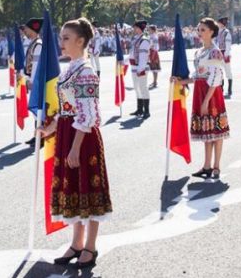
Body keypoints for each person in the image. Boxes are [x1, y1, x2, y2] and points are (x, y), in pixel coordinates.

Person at [40, 18, 111, 269]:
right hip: (68, 134)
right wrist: (50, 128)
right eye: (61, 38)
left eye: (66, 38)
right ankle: (76, 243)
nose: (62, 42)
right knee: (74, 189)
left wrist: (74, 147)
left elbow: (88, 115)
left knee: (88, 190)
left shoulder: (86, 72)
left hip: (82, 139)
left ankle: (90, 247)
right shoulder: (70, 69)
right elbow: (66, 108)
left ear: (81, 41)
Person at [173, 18, 229, 180]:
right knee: (206, 130)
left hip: (211, 93)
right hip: (200, 91)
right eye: (199, 30)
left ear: (211, 32)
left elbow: (216, 77)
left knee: (216, 130)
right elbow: (197, 76)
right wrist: (181, 81)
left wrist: (206, 101)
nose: (199, 32)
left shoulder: (215, 52)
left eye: (203, 29)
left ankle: (216, 166)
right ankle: (206, 165)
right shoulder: (199, 52)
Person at [22, 18, 43, 146]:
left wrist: (31, 80)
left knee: (37, 109)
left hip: (37, 81)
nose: (25, 31)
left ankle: (40, 137)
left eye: (27, 29)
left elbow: (36, 65)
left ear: (33, 29)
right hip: (33, 79)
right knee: (36, 111)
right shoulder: (33, 43)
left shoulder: (38, 44)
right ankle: (37, 135)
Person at [128, 20, 151, 119]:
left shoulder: (144, 40)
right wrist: (123, 61)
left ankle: (146, 111)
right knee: (136, 88)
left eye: (135, 27)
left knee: (143, 88)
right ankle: (139, 109)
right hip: (134, 67)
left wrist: (140, 69)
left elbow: (143, 57)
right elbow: (131, 54)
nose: (134, 29)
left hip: (141, 67)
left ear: (139, 28)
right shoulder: (135, 39)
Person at [216, 17, 233, 98]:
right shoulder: (218, 32)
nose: (217, 24)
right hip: (219, 53)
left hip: (224, 53)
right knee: (219, 71)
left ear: (222, 24)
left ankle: (229, 89)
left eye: (218, 23)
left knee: (228, 71)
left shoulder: (226, 32)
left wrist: (226, 54)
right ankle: (221, 88)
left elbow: (228, 45)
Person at [148, 25, 161, 89]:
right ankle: (154, 81)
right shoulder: (151, 36)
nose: (148, 30)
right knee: (153, 68)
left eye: (149, 29)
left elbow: (155, 46)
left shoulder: (154, 36)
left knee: (155, 68)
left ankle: (155, 82)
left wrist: (153, 54)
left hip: (154, 52)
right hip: (152, 52)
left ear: (152, 30)